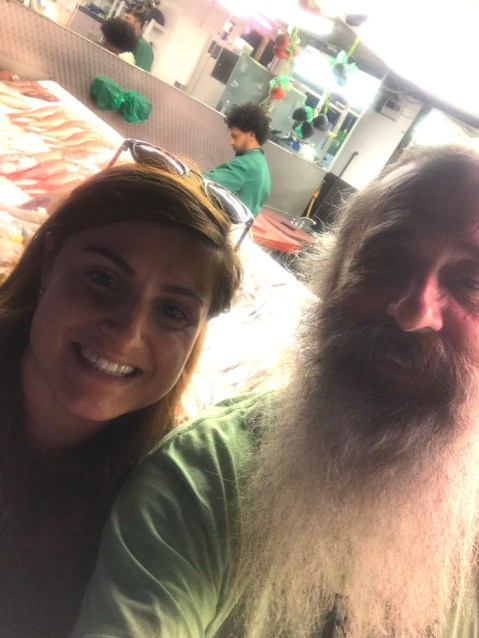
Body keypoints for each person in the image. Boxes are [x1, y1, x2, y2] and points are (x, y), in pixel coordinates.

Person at [72, 143, 479, 638]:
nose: (415, 312)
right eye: (389, 260)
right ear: (333, 277)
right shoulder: (203, 483)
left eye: (472, 281)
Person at [0, 162, 242, 638]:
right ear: (49, 263)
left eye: (172, 310)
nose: (127, 332)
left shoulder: (166, 504)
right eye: (103, 278)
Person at [204, 102, 271, 216]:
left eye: (235, 136)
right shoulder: (261, 164)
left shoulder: (246, 165)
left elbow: (203, 182)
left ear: (251, 135)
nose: (232, 142)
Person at [123, 7, 154, 71]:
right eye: (123, 17)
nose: (122, 20)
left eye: (127, 18)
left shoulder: (144, 48)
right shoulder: (120, 39)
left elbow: (139, 75)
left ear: (137, 24)